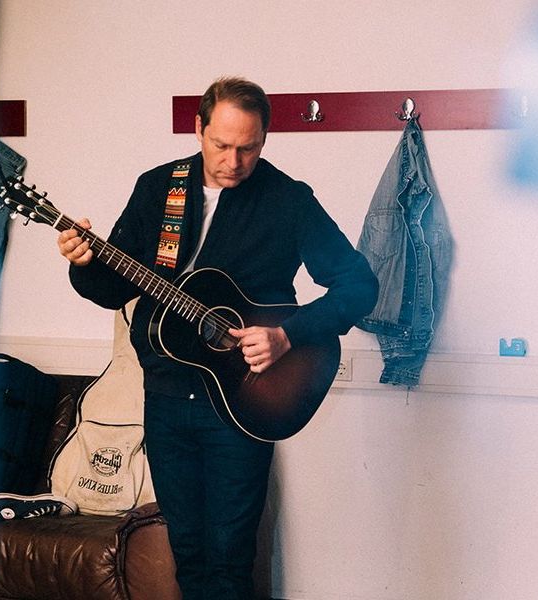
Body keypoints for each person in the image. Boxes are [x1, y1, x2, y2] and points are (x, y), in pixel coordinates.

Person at [56, 76, 378, 599]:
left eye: (248, 148)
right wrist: (84, 262)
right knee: (188, 555)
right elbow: (113, 287)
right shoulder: (158, 188)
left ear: (265, 138)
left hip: (240, 403)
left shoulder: (289, 200)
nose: (233, 161)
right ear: (199, 128)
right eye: (221, 145)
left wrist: (287, 335)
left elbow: (359, 285)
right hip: (164, 397)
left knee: (229, 562)